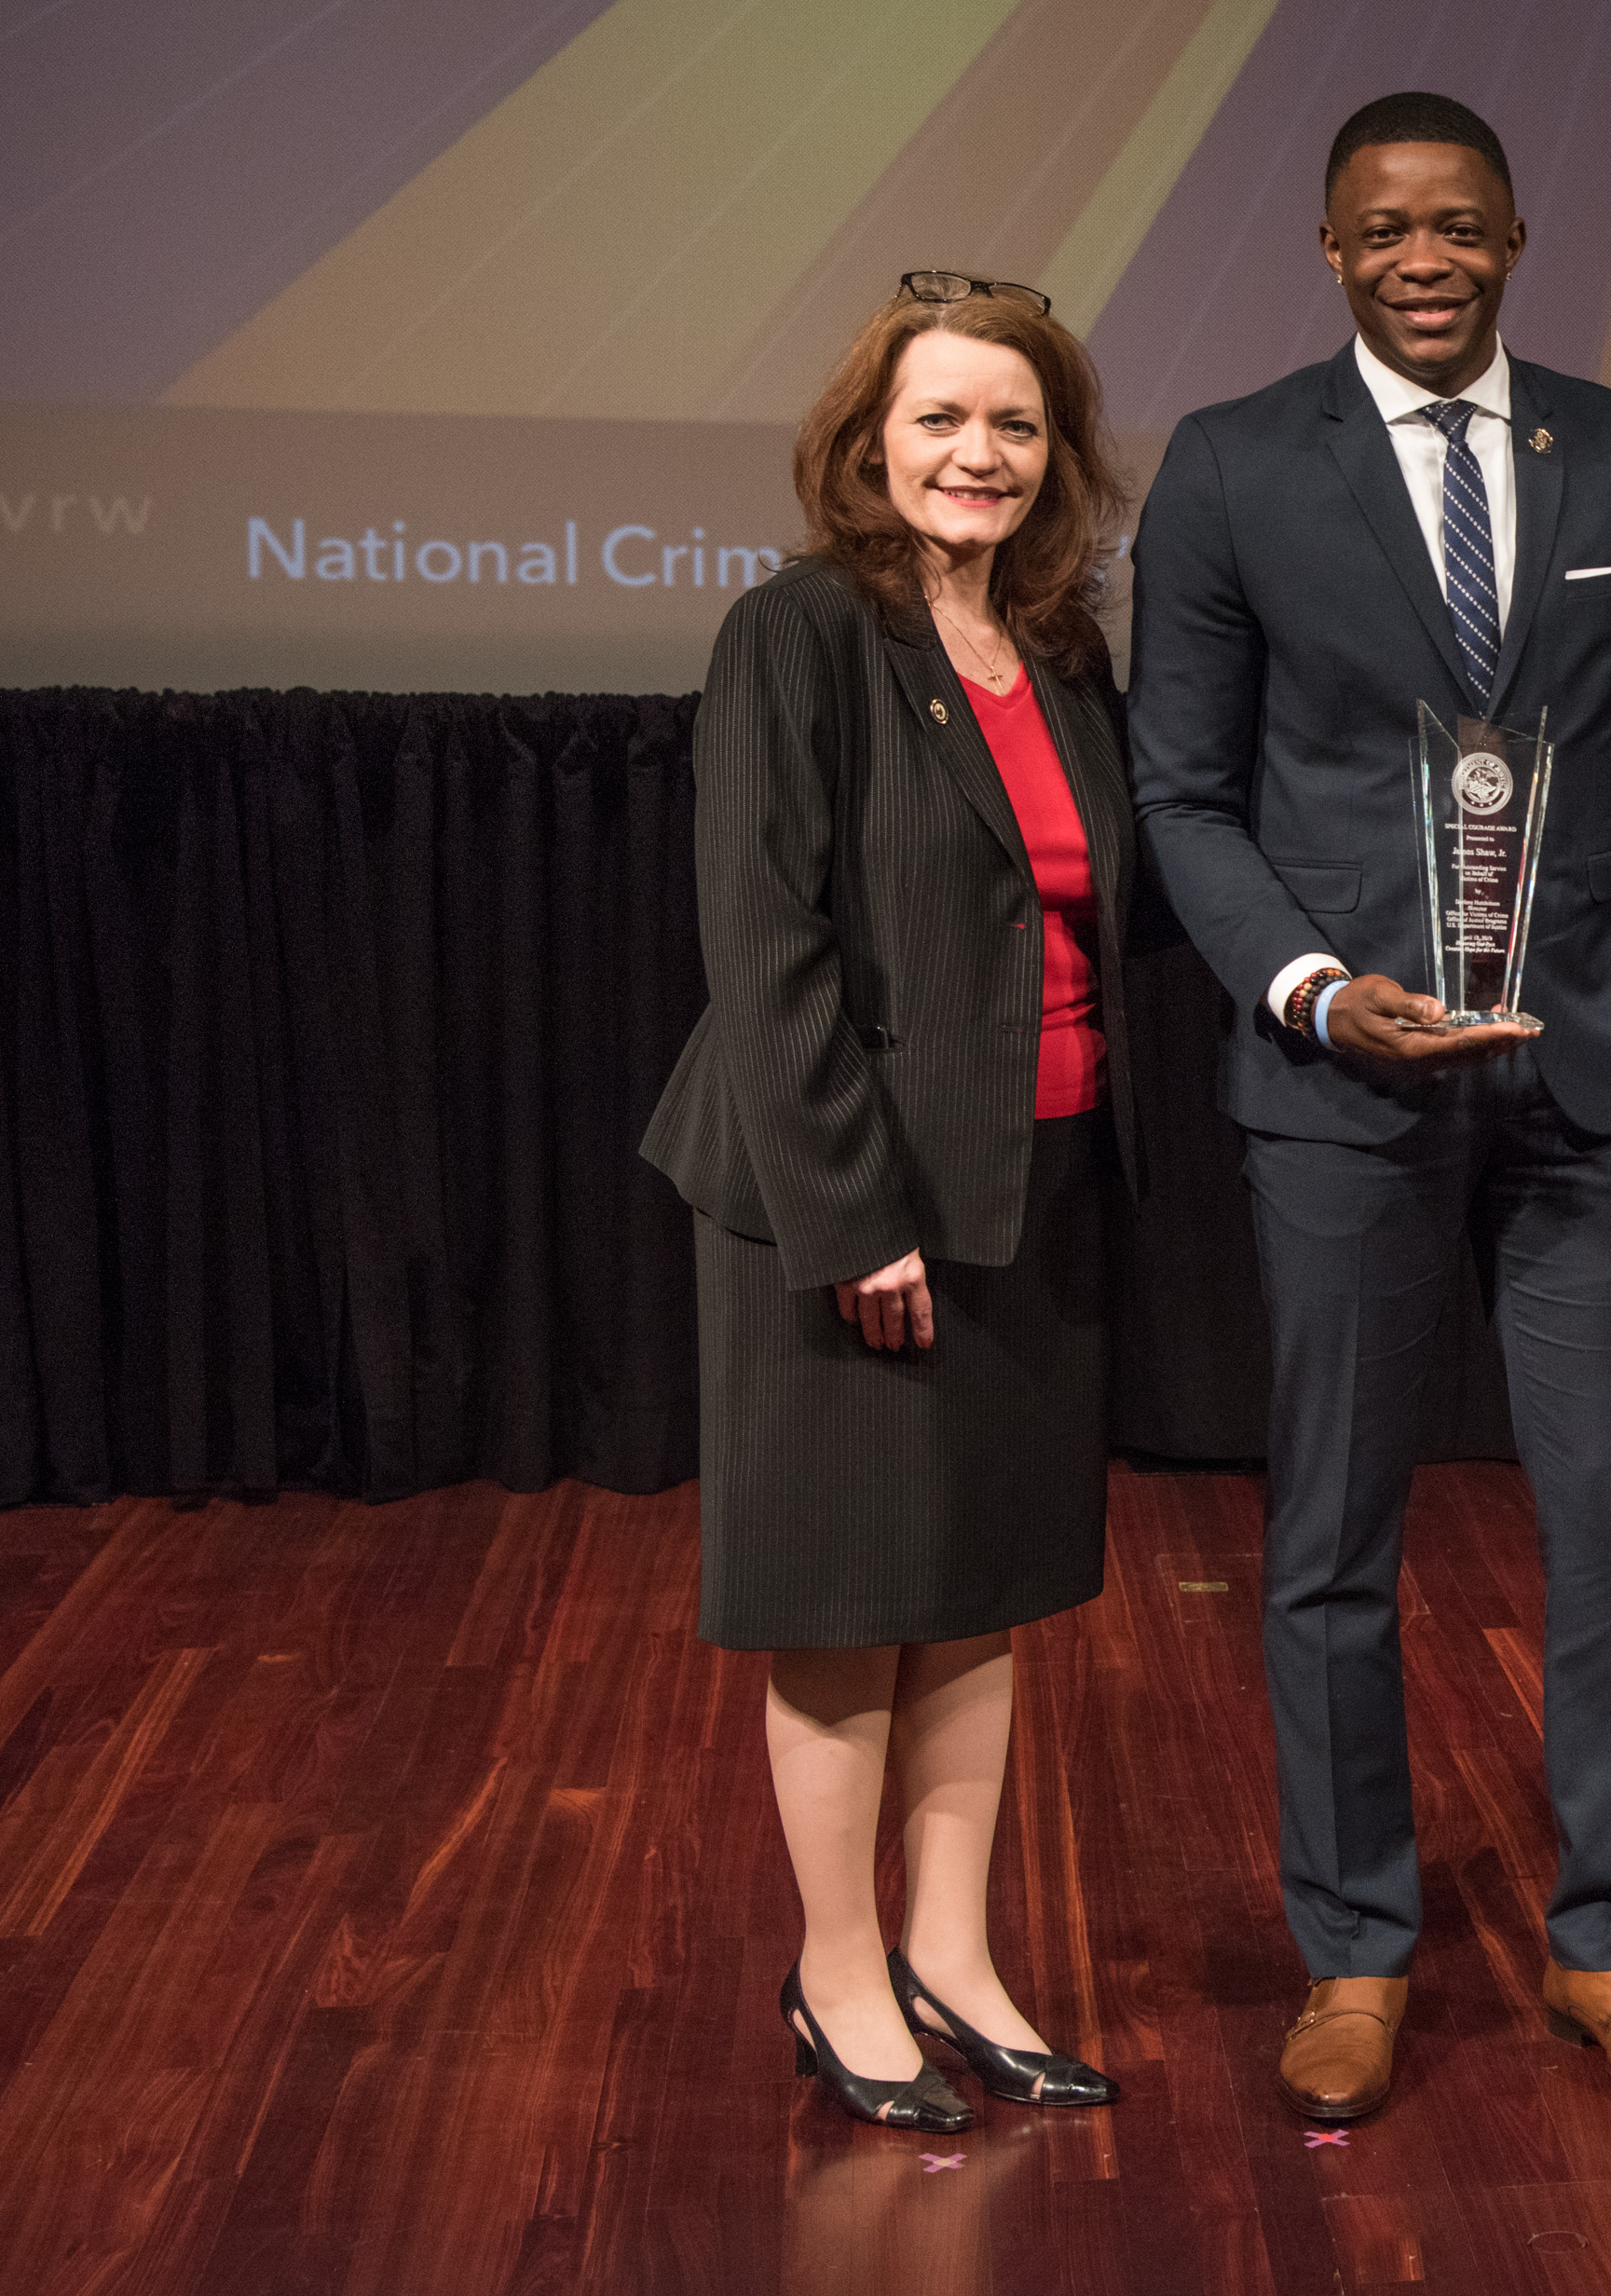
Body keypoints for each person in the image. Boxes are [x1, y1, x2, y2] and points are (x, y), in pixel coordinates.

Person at [1128, 92, 1611, 2123]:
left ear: (1515, 235)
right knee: (1330, 1541)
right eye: (1383, 227)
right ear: (1329, 249)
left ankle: (1609, 1938)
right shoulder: (1234, 467)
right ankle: (1353, 1949)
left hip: (1593, 1083)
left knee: (1610, 1529)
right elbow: (1182, 794)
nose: (1424, 256)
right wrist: (1316, 992)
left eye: (1458, 225)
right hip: (1342, 1088)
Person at [643, 273, 1144, 2131]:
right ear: (868, 441)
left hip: (1034, 1183)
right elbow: (766, 949)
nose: (978, 454)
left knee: (977, 1602)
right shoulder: (797, 634)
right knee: (848, 1603)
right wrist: (854, 1216)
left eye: (1014, 423)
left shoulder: (1060, 649)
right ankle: (837, 1975)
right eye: (940, 419)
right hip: (845, 1205)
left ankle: (954, 1955)